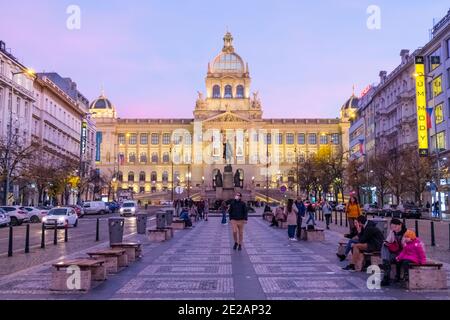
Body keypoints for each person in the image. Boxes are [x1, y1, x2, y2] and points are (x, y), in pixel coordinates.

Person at [380, 218, 407, 286]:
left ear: (400, 225)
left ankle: (386, 278)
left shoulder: (406, 233)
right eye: (392, 227)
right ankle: (385, 261)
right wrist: (387, 243)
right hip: (396, 253)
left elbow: (408, 248)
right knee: (384, 247)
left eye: (395, 227)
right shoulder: (393, 232)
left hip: (404, 254)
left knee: (387, 259)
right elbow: (387, 241)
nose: (394, 229)